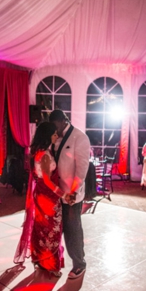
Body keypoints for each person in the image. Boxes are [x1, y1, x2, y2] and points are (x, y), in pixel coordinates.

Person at [13, 121, 73, 277]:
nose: (56, 136)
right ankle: (51, 264)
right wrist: (63, 194)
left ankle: (39, 259)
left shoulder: (39, 151)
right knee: (52, 230)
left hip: (40, 194)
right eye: (54, 134)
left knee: (41, 228)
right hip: (48, 196)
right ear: (48, 136)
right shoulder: (45, 155)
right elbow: (47, 180)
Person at [49, 109, 90, 279]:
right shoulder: (54, 137)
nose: (55, 129)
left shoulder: (79, 137)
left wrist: (74, 191)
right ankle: (54, 262)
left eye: (56, 126)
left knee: (73, 228)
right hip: (56, 193)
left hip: (71, 193)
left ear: (64, 121)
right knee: (58, 228)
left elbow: (81, 169)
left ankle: (79, 264)